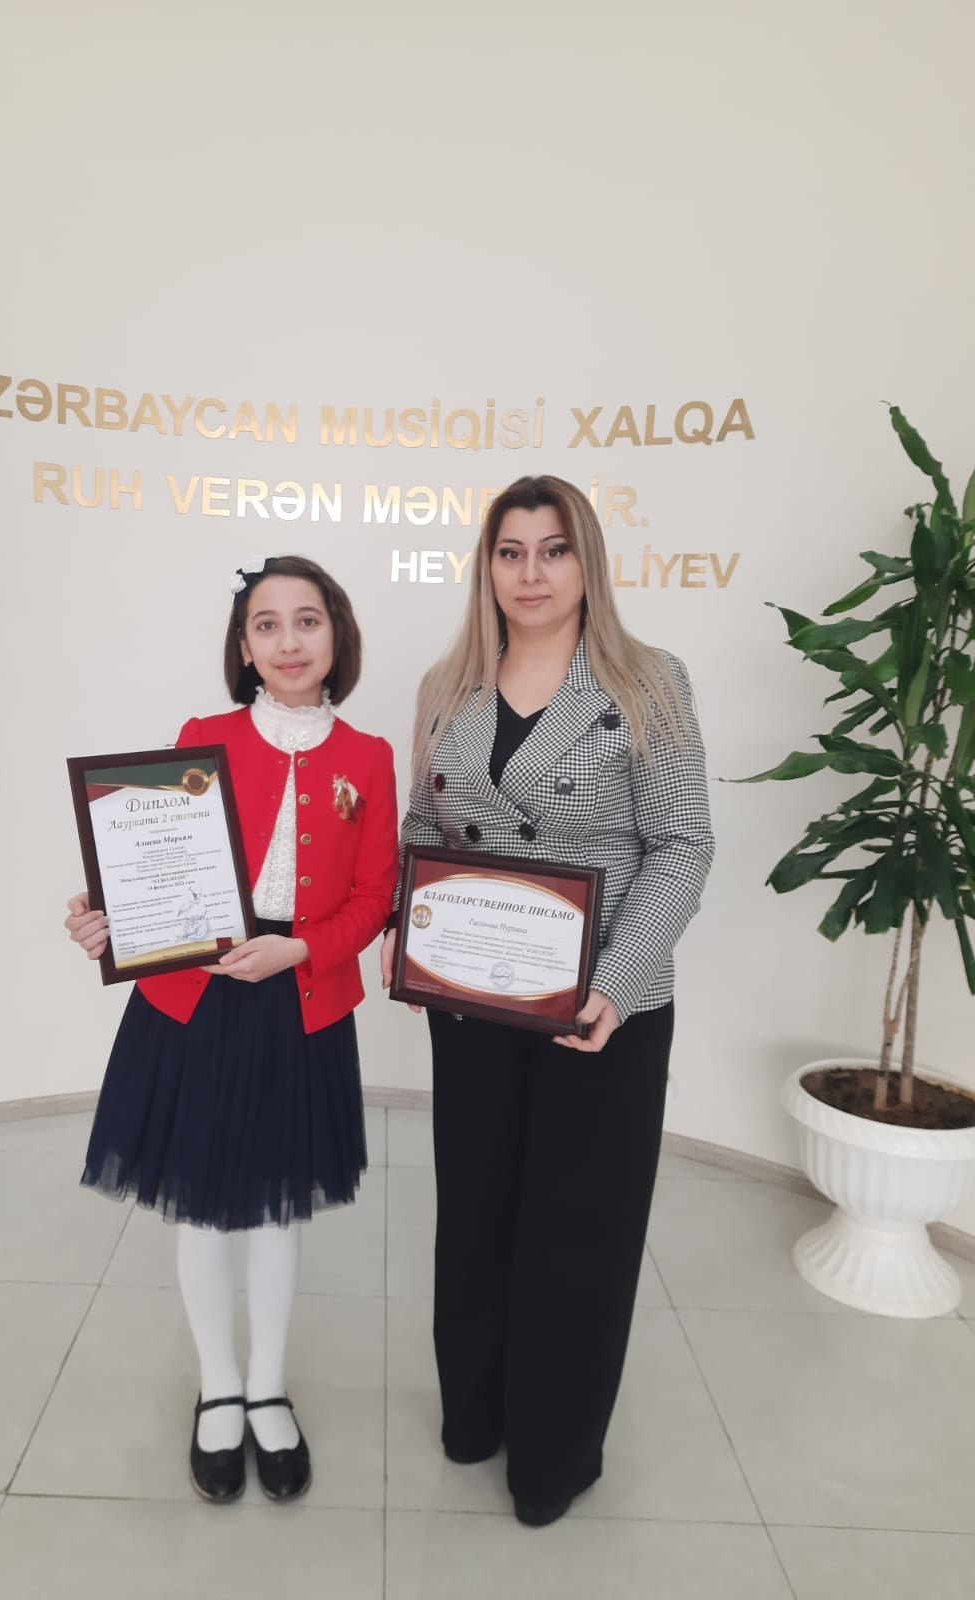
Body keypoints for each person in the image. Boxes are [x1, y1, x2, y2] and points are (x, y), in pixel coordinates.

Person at [380, 475, 714, 1528]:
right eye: (511, 551)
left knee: (578, 1229)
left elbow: (682, 846)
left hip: (603, 1008)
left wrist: (615, 982)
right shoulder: (446, 684)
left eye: (554, 550)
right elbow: (422, 830)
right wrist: (407, 934)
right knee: (476, 1209)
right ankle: (474, 1416)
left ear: (587, 562)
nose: (531, 573)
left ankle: (552, 1458)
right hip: (475, 1000)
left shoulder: (649, 681)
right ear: (487, 566)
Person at [66, 555, 397, 1505]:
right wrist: (106, 914)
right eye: (267, 625)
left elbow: (375, 895)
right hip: (199, 999)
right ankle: (218, 1386)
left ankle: (267, 1387)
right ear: (244, 647)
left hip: (300, 998)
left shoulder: (370, 756)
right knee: (205, 1203)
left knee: (279, 1207)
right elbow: (158, 862)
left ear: (337, 635)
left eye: (307, 621)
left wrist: (302, 950)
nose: (289, 642)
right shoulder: (201, 737)